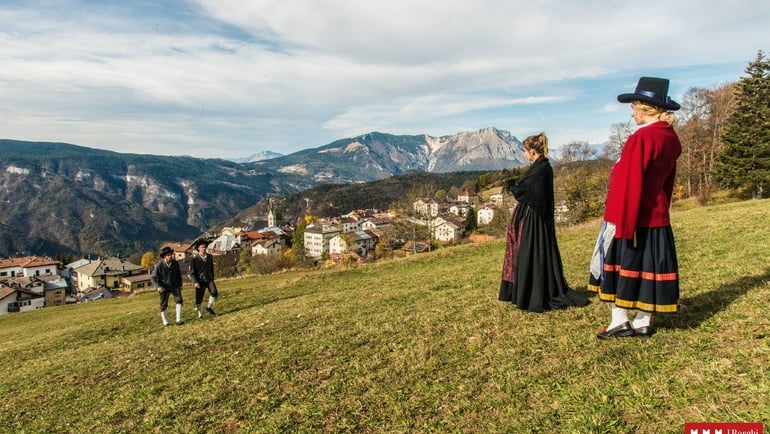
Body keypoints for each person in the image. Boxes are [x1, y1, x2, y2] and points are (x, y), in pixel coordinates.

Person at [589, 76, 682, 339]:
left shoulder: (641, 138)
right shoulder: (669, 137)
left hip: (632, 216)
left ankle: (620, 321)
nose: (631, 113)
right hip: (656, 214)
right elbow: (666, 180)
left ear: (644, 107)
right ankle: (643, 321)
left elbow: (630, 183)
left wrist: (621, 225)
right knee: (648, 269)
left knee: (625, 267)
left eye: (634, 107)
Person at [499, 132, 589, 312]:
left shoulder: (540, 169)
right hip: (535, 216)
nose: (524, 154)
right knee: (530, 253)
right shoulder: (542, 166)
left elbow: (525, 190)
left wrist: (512, 186)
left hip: (535, 218)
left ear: (532, 151)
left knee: (531, 253)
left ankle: (535, 293)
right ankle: (530, 290)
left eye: (525, 150)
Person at [152, 246, 184, 326]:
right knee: (163, 304)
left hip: (174, 285)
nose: (170, 256)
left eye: (171, 255)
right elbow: (153, 277)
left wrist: (180, 284)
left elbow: (178, 275)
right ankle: (165, 321)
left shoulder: (175, 263)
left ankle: (178, 320)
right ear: (164, 256)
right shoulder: (159, 266)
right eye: (168, 255)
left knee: (179, 300)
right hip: (163, 287)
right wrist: (158, 287)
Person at [188, 238, 218, 318]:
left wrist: (212, 277)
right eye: (202, 247)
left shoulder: (209, 257)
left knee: (214, 292)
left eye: (205, 247)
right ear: (198, 248)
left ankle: (208, 307)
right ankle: (200, 314)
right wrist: (195, 282)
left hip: (208, 278)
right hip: (199, 281)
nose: (204, 249)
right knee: (199, 298)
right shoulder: (194, 260)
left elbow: (211, 268)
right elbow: (192, 273)